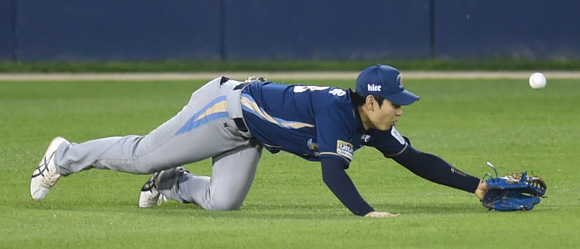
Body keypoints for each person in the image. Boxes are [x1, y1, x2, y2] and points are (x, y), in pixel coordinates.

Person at [30, 64, 487, 218]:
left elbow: (417, 159)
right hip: (222, 110)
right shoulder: (335, 112)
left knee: (224, 202)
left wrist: (477, 187)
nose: (400, 110)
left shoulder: (372, 124)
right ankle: (64, 155)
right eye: (395, 103)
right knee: (137, 156)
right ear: (371, 101)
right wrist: (367, 215)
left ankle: (171, 183)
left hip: (248, 132)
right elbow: (333, 174)